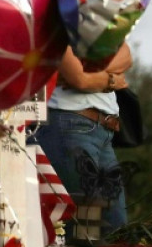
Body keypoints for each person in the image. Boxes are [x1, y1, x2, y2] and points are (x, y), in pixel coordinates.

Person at [33, 42, 132, 236]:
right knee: (83, 234)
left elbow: (126, 56)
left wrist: (97, 75)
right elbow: (79, 79)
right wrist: (112, 79)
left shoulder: (96, 18)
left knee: (115, 231)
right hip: (69, 126)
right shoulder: (55, 15)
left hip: (99, 130)